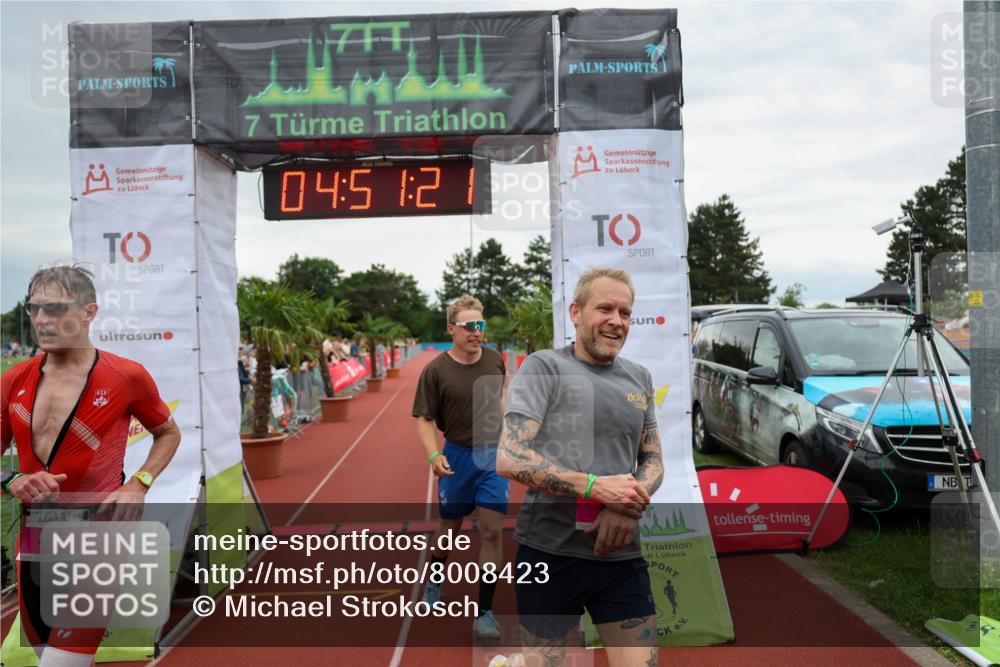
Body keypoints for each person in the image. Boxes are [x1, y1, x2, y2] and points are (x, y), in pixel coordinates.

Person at [0, 265, 181, 667]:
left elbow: (168, 433)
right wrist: (11, 478)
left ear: (89, 312)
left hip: (100, 533)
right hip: (34, 535)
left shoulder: (125, 376)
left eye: (56, 308)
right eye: (35, 310)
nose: (43, 320)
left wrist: (139, 483)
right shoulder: (14, 380)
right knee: (45, 651)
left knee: (63, 661)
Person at [497, 267, 664, 667]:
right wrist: (595, 487)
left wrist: (624, 504)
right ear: (575, 312)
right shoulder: (544, 367)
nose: (616, 321)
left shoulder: (639, 378)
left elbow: (653, 458)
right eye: (604, 308)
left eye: (625, 312)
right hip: (550, 553)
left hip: (620, 554)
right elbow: (510, 456)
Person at [412, 294, 509, 640]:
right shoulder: (435, 370)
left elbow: (500, 401)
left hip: (492, 458)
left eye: (481, 325)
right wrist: (433, 455)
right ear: (451, 329)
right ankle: (435, 582)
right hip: (456, 457)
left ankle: (484, 612)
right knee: (448, 529)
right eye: (469, 326)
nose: (477, 332)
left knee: (492, 532)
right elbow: (424, 419)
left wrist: (512, 437)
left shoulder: (496, 360)